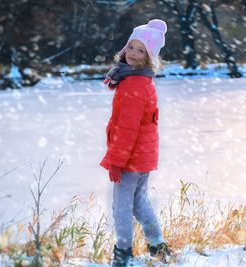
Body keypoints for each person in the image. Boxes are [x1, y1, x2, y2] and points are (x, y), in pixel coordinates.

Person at [100, 19, 171, 267]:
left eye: (141, 51)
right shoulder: (142, 79)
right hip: (142, 155)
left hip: (131, 157)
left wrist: (116, 162)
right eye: (131, 46)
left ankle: (122, 252)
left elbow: (128, 129)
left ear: (148, 57)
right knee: (139, 201)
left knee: (121, 205)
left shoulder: (133, 84)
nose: (133, 54)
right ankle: (158, 245)